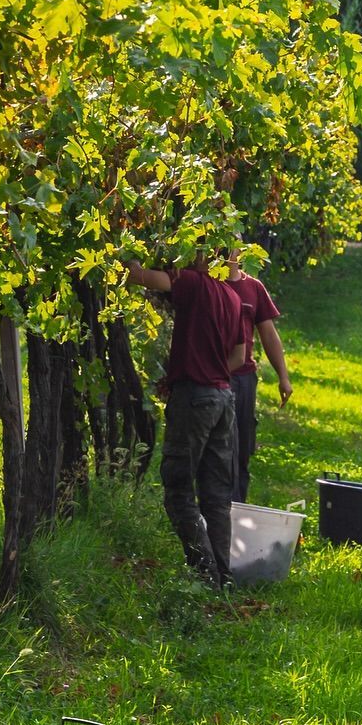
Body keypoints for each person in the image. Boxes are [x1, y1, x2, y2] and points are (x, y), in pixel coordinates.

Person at [126, 255, 243, 586]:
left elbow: (140, 277)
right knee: (217, 495)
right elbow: (238, 356)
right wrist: (205, 368)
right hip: (223, 398)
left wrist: (133, 255)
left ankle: (204, 575)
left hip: (195, 398)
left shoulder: (193, 283)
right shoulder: (232, 296)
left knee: (178, 489)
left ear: (201, 255)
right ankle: (223, 576)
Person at [226, 245, 292, 502]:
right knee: (221, 450)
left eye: (230, 247)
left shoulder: (253, 287)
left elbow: (269, 334)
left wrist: (283, 376)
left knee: (241, 449)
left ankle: (237, 509)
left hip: (242, 379)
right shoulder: (207, 283)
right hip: (211, 376)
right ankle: (216, 512)